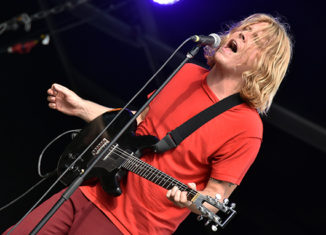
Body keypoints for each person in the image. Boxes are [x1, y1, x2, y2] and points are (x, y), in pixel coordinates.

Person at [4, 13, 292, 234]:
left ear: (264, 64)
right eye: (243, 28)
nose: (241, 33)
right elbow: (132, 123)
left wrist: (190, 200)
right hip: (90, 186)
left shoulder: (246, 126)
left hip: (131, 227)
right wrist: (80, 106)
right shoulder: (187, 72)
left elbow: (216, 197)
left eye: (254, 38)